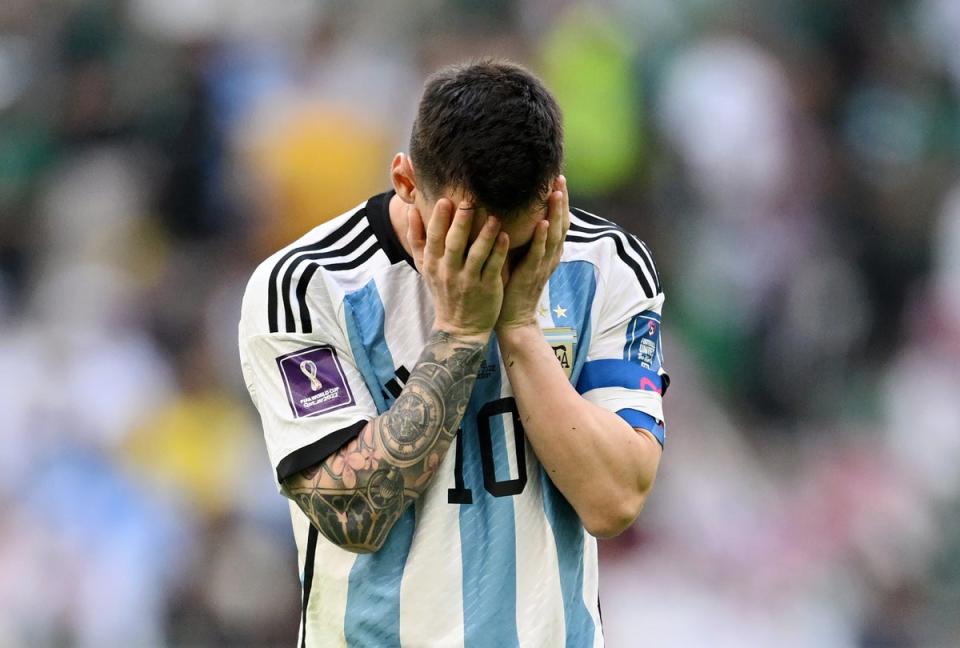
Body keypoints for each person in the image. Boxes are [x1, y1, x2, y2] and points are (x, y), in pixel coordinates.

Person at [238, 59, 668, 648]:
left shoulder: (606, 265)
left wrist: (517, 325)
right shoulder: (307, 286)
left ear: (552, 196)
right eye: (467, 239)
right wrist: (461, 334)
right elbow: (352, 514)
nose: (489, 265)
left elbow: (614, 500)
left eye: (514, 247)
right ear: (407, 183)